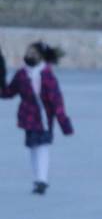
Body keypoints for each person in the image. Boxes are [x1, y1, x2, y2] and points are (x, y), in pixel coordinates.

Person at [0, 41, 73, 195]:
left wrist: (64, 122)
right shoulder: (21, 74)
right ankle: (38, 179)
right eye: (28, 52)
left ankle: (42, 180)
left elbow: (56, 101)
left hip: (44, 119)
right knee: (33, 148)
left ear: (41, 56)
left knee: (43, 148)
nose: (29, 55)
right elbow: (9, 92)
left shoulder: (47, 75)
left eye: (33, 53)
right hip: (28, 119)